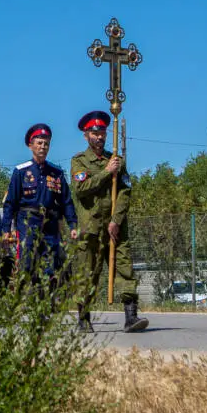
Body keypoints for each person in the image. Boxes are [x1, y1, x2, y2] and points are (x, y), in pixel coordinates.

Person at [71, 111, 147, 333]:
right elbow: (81, 189)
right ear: (86, 136)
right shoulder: (79, 161)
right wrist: (106, 172)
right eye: (94, 133)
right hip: (91, 228)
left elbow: (125, 192)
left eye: (102, 132)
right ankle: (84, 318)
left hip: (115, 228)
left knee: (124, 268)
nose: (99, 137)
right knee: (88, 272)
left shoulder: (116, 160)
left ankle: (131, 317)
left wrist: (116, 220)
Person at [0, 123, 79, 280]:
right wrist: (6, 229)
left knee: (52, 263)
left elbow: (66, 201)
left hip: (50, 222)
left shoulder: (56, 172)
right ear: (31, 146)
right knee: (27, 263)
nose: (43, 147)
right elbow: (10, 203)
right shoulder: (21, 171)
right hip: (28, 221)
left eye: (46, 143)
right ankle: (27, 300)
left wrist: (72, 224)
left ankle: (49, 301)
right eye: (39, 143)